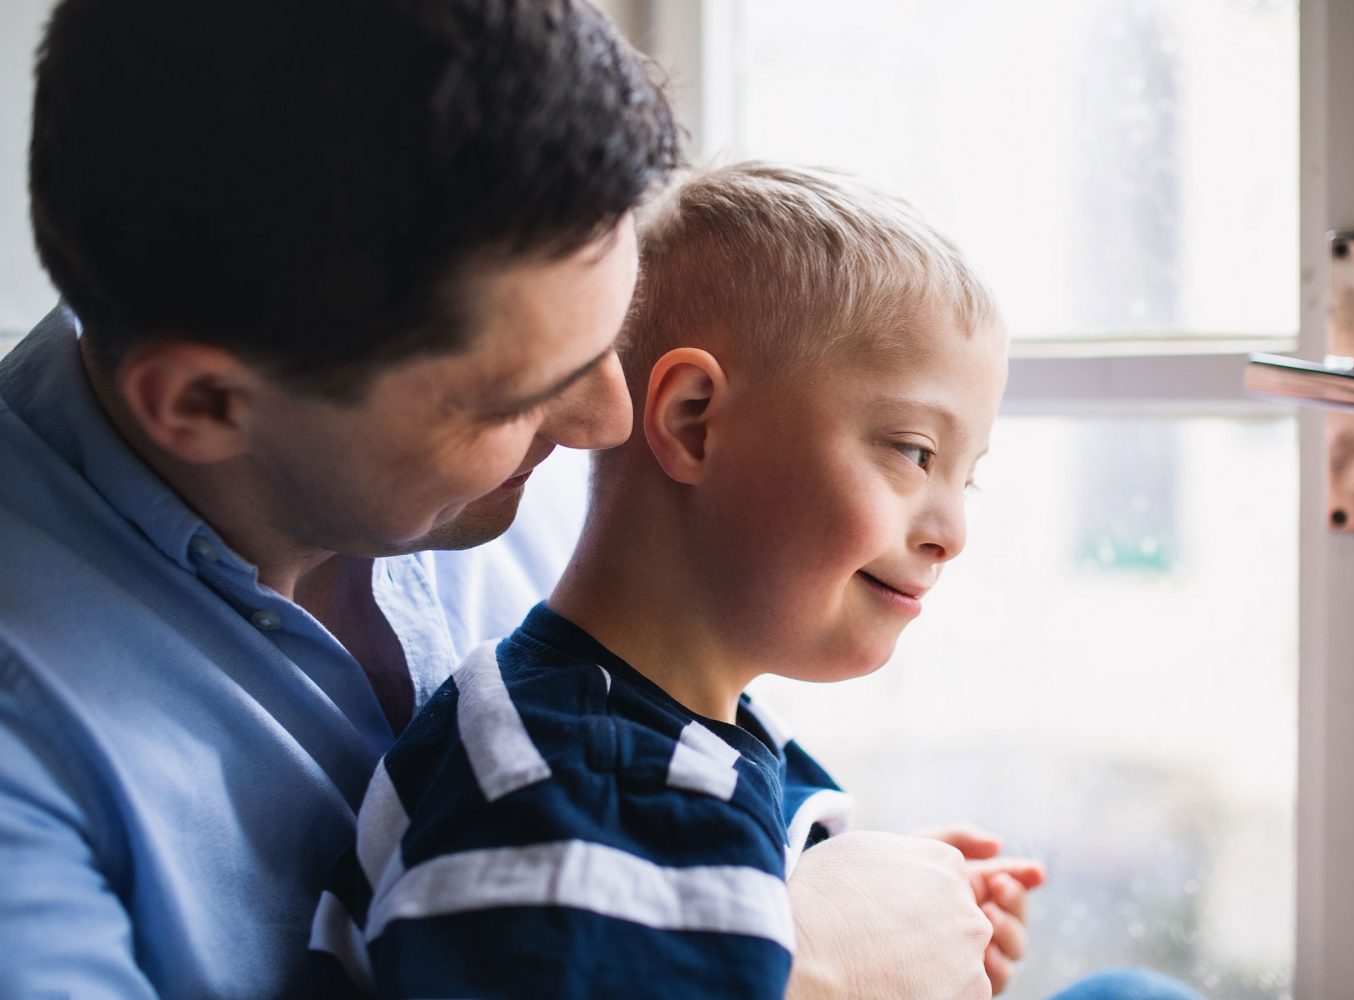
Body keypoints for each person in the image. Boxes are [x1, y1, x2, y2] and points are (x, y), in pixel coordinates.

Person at [0, 1, 1052, 997]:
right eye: (516, 392)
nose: (608, 424)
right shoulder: (27, 750)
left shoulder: (589, 512)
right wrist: (793, 958)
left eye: (610, 333)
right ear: (204, 401)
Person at [307, 162, 1032, 997]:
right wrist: (840, 965)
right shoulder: (567, 793)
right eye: (914, 453)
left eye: (964, 477)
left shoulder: (672, 733)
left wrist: (898, 922)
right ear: (693, 422)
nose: (953, 534)